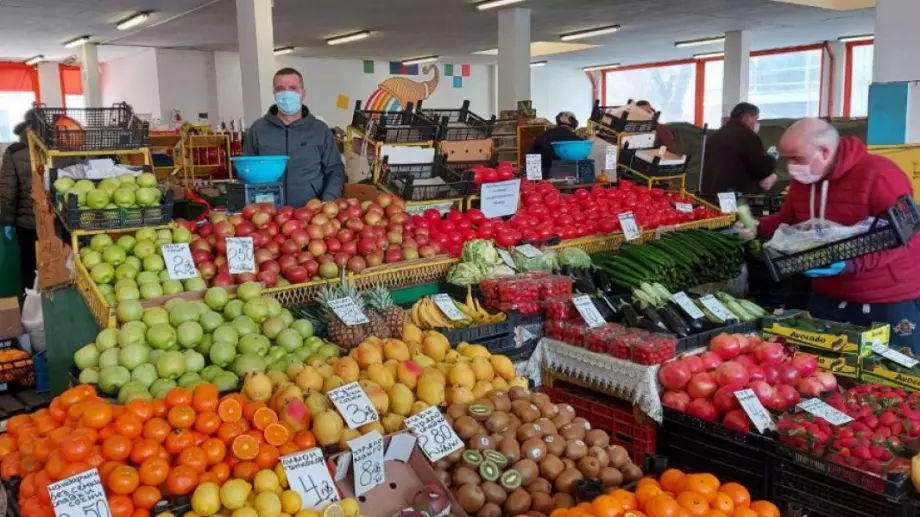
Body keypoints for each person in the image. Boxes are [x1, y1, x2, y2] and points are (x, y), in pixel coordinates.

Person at [737, 118, 920, 351]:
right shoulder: (804, 181)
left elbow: (904, 236)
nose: (791, 166)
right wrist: (757, 226)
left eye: (797, 158)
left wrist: (850, 263)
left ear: (824, 151)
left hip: (887, 298)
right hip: (827, 295)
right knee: (826, 370)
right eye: (788, 159)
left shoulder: (880, 175)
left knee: (893, 375)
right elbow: (789, 221)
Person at [243, 68, 345, 206]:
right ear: (274, 93)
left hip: (310, 214)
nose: (286, 94)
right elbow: (246, 171)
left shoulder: (320, 130)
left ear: (303, 94)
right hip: (268, 214)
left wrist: (327, 201)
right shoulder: (258, 129)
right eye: (280, 89)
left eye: (293, 88)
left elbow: (335, 170)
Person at [701, 102, 778, 196]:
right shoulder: (747, 136)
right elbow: (760, 168)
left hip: (712, 192)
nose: (756, 123)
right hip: (738, 194)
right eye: (756, 119)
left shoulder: (716, 136)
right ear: (747, 117)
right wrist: (771, 160)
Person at [0, 113, 37, 292]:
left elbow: (8, 191)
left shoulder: (14, 153)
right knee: (58, 264)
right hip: (59, 222)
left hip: (27, 223)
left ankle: (32, 303)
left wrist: (7, 221)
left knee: (29, 265)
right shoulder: (59, 146)